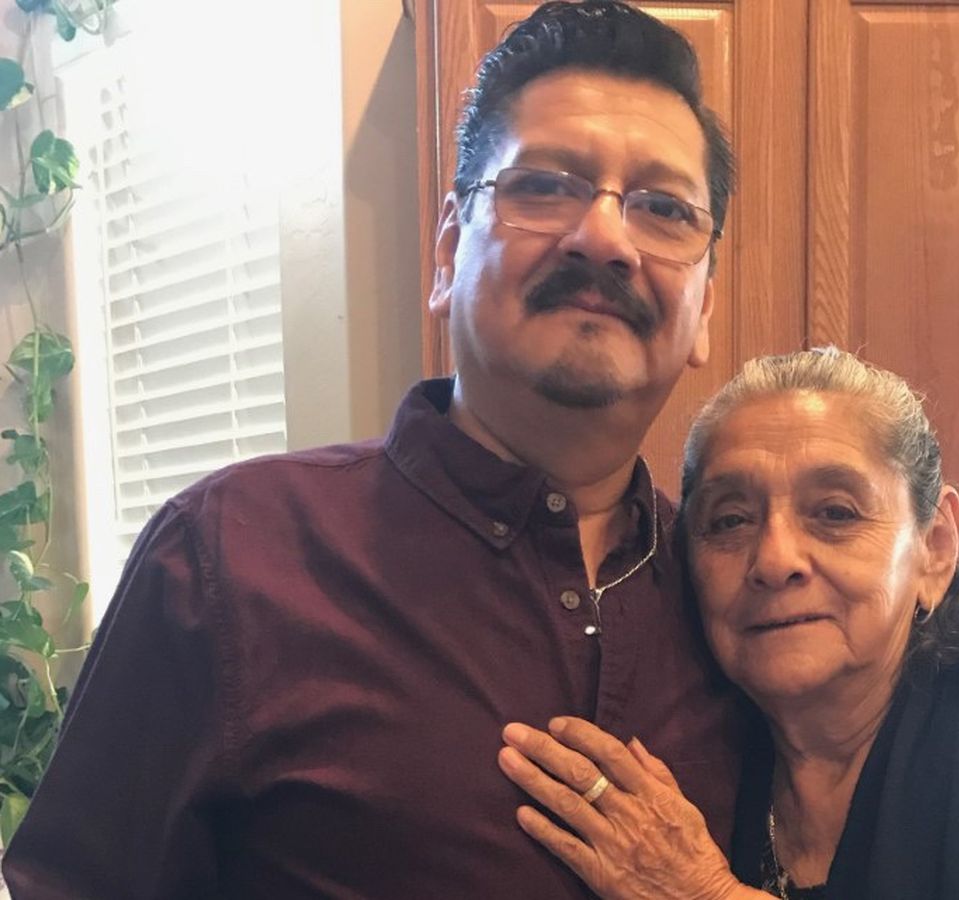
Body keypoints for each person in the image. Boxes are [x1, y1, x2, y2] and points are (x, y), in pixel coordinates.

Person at [2, 3, 749, 896]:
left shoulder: (746, 606)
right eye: (545, 186)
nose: (605, 237)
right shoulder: (228, 556)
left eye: (663, 208)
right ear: (447, 253)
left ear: (705, 308)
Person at [499, 347, 959, 899]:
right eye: (729, 520)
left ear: (935, 546)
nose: (774, 560)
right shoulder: (707, 747)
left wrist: (702, 892)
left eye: (835, 513)